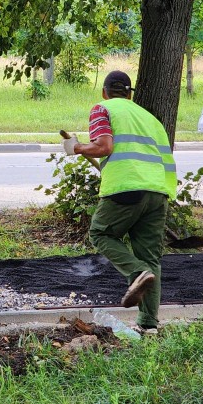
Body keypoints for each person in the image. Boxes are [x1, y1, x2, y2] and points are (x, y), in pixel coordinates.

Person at [63, 69, 177, 335]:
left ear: (104, 92)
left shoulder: (102, 108)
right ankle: (149, 326)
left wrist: (76, 148)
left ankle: (136, 273)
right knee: (150, 256)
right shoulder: (150, 118)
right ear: (129, 94)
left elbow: (104, 146)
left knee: (101, 232)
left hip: (125, 188)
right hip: (158, 190)